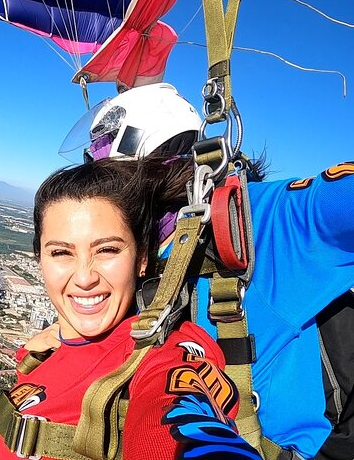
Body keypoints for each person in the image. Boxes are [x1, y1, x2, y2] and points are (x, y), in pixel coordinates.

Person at [59, 82, 354, 460]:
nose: (97, 194)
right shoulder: (133, 248)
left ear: (155, 167)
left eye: (107, 177)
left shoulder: (264, 222)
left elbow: (333, 203)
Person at [0, 158, 262, 460]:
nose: (85, 277)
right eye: (61, 252)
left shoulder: (160, 354)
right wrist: (31, 354)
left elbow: (176, 418)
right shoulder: (42, 352)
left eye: (107, 250)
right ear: (40, 259)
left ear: (141, 259)